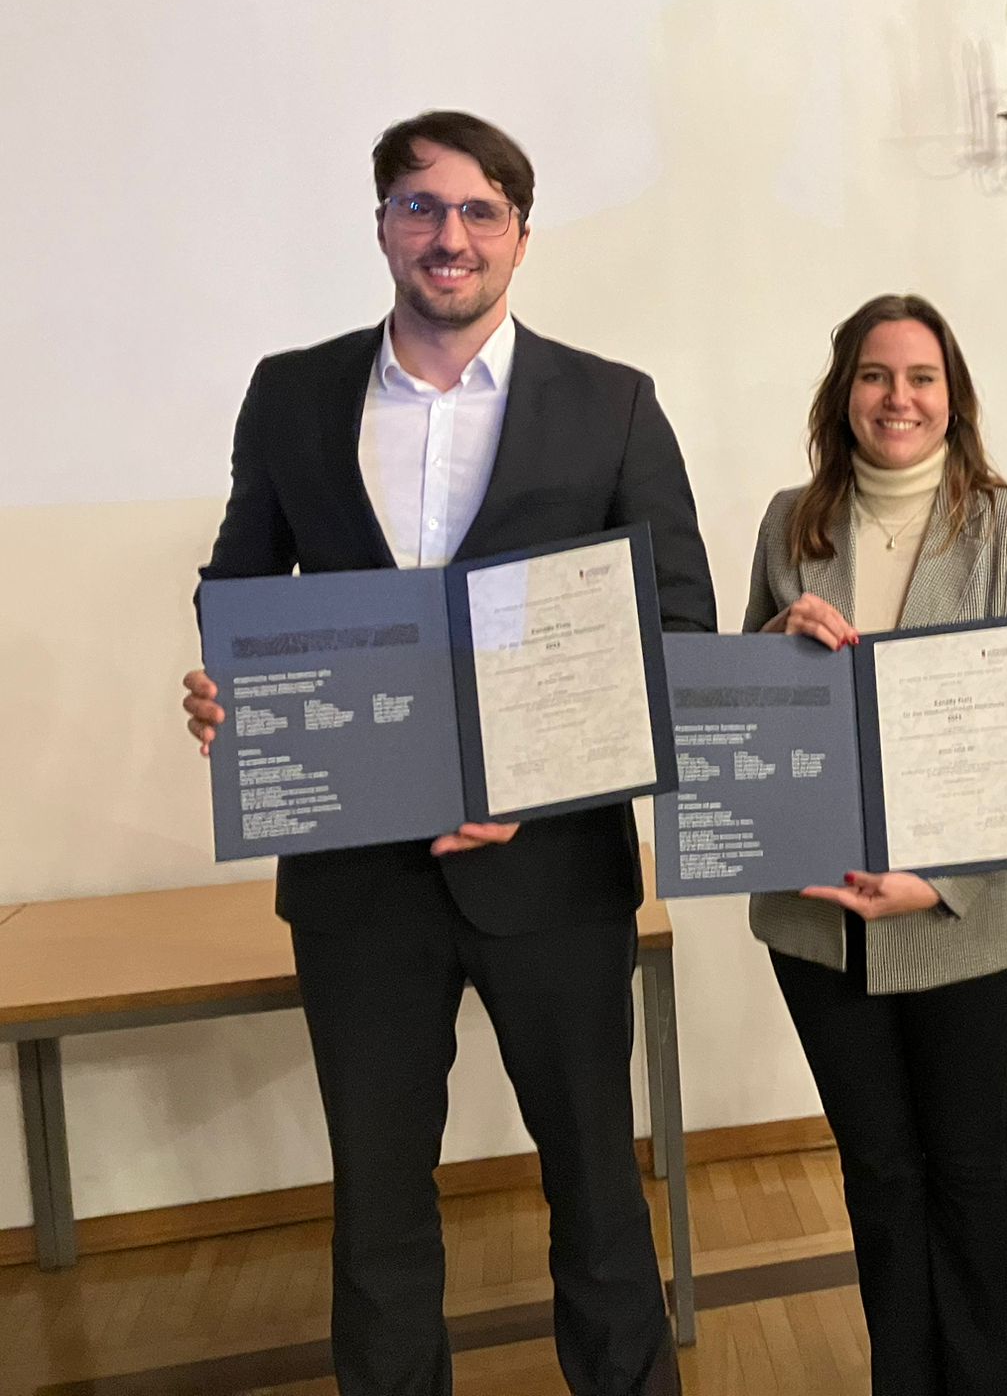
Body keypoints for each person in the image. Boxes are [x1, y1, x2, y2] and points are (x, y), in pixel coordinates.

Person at [180, 111, 712, 1396]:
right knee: (376, 1200)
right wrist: (227, 687)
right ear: (381, 227)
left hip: (555, 873)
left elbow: (674, 635)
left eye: (478, 211)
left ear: (521, 237)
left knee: (593, 1180)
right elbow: (240, 585)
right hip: (357, 877)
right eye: (420, 207)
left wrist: (540, 788)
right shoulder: (292, 390)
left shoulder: (612, 402)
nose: (448, 235)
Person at [743, 293, 1007, 1396]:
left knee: (967, 1170)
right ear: (844, 394)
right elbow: (741, 703)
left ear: (952, 396)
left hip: (959, 917)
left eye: (920, 376)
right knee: (877, 1173)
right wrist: (776, 642)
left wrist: (940, 880)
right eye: (875, 376)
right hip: (817, 916)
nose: (898, 398)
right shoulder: (790, 522)